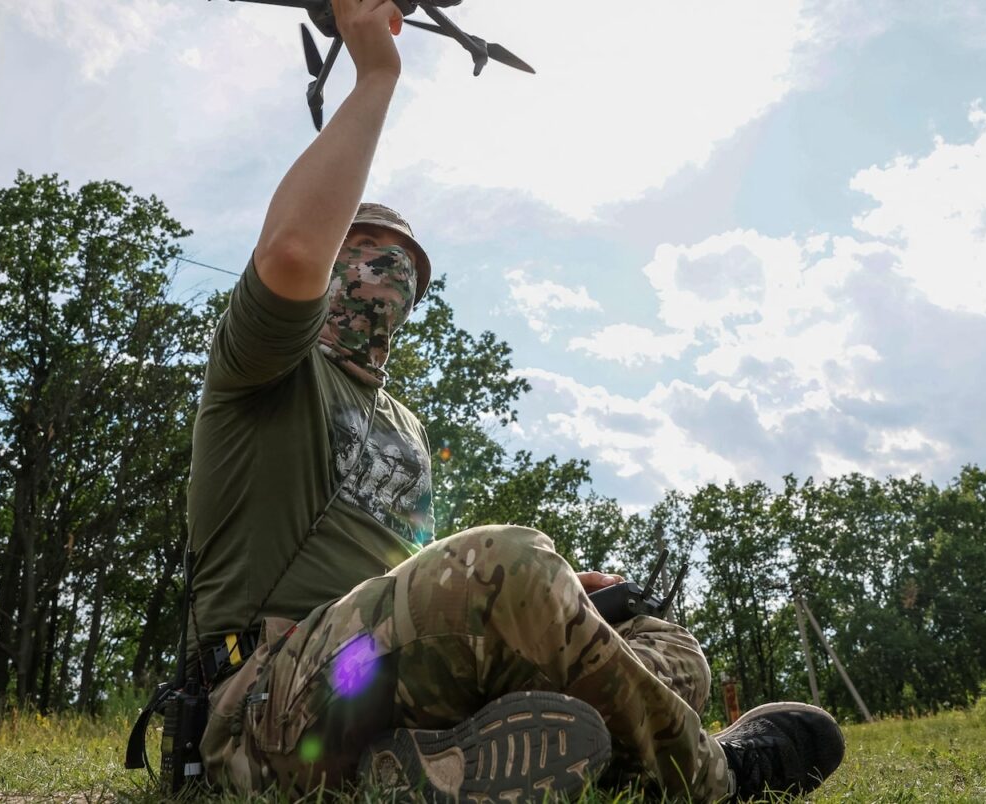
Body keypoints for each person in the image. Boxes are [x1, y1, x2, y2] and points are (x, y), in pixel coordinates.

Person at [188, 0, 846, 799]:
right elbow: (292, 249)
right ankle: (715, 775)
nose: (385, 273)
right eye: (362, 251)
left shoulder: (407, 431)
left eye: (405, 264)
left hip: (375, 679)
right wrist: (376, 75)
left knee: (663, 646)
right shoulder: (264, 364)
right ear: (331, 262)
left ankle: (431, 769)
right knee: (514, 560)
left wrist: (565, 597)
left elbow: (421, 593)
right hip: (263, 697)